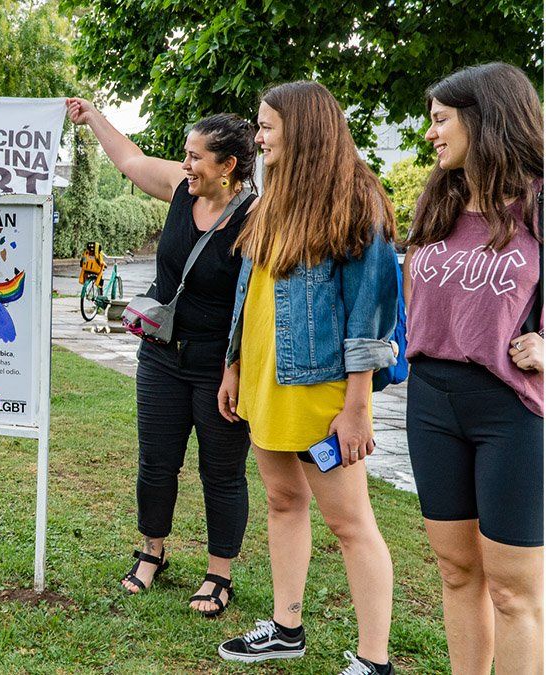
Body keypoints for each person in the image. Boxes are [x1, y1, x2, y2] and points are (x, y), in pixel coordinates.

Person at [216, 81, 398, 675]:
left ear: (306, 128)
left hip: (321, 394)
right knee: (281, 501)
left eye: (267, 127)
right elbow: (251, 294)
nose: (258, 136)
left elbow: (369, 323)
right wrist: (234, 365)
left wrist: (357, 409)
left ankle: (374, 660)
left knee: (350, 524)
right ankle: (286, 627)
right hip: (266, 381)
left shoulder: (357, 205)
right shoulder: (272, 200)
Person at [68, 98, 258, 617]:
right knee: (156, 463)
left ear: (228, 167)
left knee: (221, 473)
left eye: (196, 157)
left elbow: (258, 304)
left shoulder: (256, 218)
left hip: (220, 367)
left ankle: (219, 574)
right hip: (160, 357)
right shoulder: (181, 189)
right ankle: (152, 552)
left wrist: (236, 369)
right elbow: (129, 161)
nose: (186, 165)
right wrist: (92, 116)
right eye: (184, 155)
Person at [403, 62, 543, 674]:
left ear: (483, 119)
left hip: (511, 410)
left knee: (514, 591)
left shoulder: (539, 205)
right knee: (458, 572)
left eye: (440, 120)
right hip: (432, 400)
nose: (431, 134)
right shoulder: (441, 200)